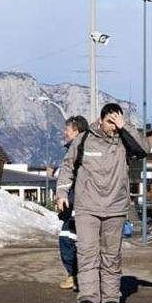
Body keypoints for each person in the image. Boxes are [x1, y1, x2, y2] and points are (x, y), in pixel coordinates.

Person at [56, 103, 148, 303]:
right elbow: (67, 167)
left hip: (115, 207)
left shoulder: (125, 140)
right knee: (87, 252)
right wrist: (61, 193)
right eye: (110, 122)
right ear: (100, 120)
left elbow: (144, 150)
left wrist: (126, 127)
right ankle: (88, 298)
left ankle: (110, 298)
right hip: (87, 206)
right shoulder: (84, 139)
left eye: (117, 122)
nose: (113, 127)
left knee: (111, 255)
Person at [57, 115, 89, 291]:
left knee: (73, 241)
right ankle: (74, 275)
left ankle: (78, 276)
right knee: (67, 239)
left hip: (82, 205)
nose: (64, 132)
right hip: (72, 204)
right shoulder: (71, 150)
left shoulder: (83, 151)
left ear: (76, 132)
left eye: (67, 130)